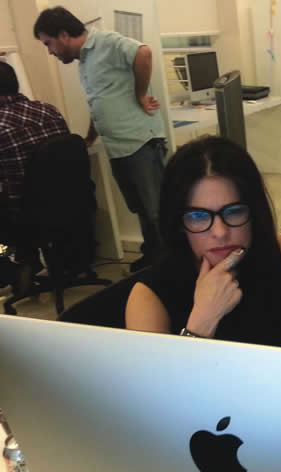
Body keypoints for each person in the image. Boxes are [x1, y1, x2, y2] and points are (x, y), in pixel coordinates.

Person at [125, 136, 281, 344]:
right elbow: (157, 374)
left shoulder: (274, 249)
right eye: (198, 216)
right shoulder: (148, 298)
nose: (220, 232)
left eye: (234, 212)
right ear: (178, 224)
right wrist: (203, 320)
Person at [34, 7, 165, 272]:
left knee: (156, 211)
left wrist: (141, 94)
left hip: (140, 141)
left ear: (63, 35)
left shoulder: (105, 42)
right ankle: (153, 256)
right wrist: (90, 137)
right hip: (117, 146)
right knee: (140, 208)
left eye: (48, 43)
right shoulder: (84, 63)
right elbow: (100, 102)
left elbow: (143, 53)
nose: (50, 51)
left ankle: (172, 265)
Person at [0, 61, 69, 293]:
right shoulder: (49, 110)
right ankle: (28, 262)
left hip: (24, 212)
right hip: (68, 201)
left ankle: (15, 268)